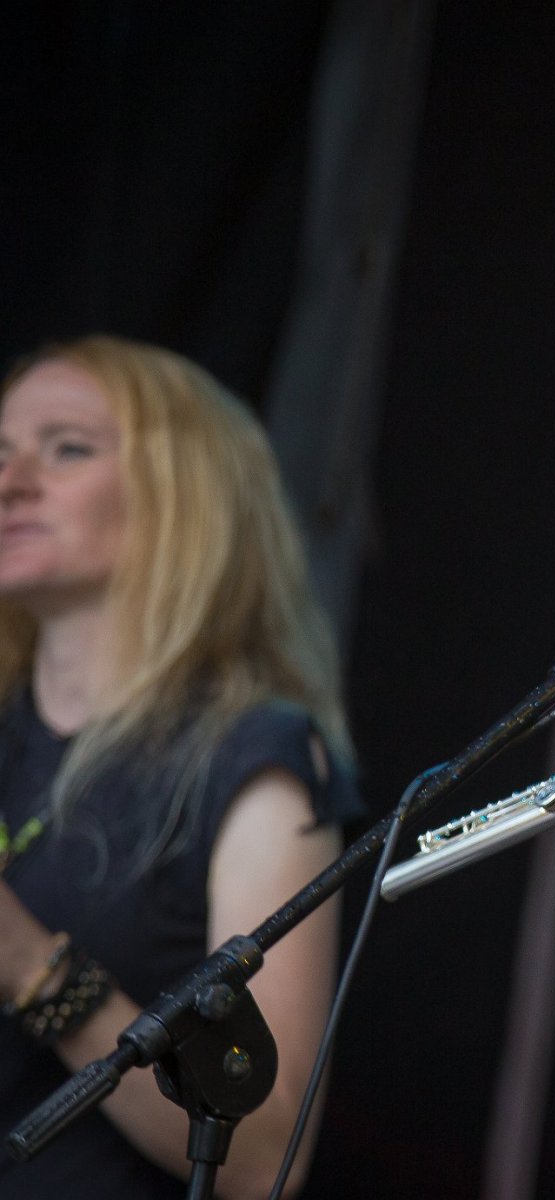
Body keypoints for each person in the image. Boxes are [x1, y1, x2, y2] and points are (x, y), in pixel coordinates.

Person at [0, 336, 359, 1198]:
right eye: (0, 454)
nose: (10, 483)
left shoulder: (252, 755)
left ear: (184, 496)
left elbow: (269, 1156)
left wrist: (31, 968)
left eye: (67, 449)